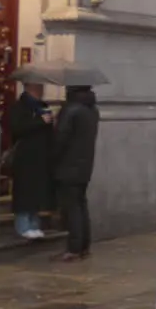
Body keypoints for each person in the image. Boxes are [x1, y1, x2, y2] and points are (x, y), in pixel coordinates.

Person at [52, 85, 100, 261]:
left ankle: (73, 248)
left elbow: (60, 138)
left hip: (68, 166)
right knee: (80, 203)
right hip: (84, 165)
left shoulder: (71, 110)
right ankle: (84, 246)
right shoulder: (92, 109)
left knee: (71, 207)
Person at [8, 81, 54, 240]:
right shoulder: (19, 107)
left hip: (41, 157)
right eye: (39, 87)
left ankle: (34, 224)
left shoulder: (43, 106)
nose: (42, 90)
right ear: (30, 88)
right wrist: (40, 122)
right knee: (24, 193)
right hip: (25, 156)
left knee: (37, 193)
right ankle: (23, 226)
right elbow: (17, 128)